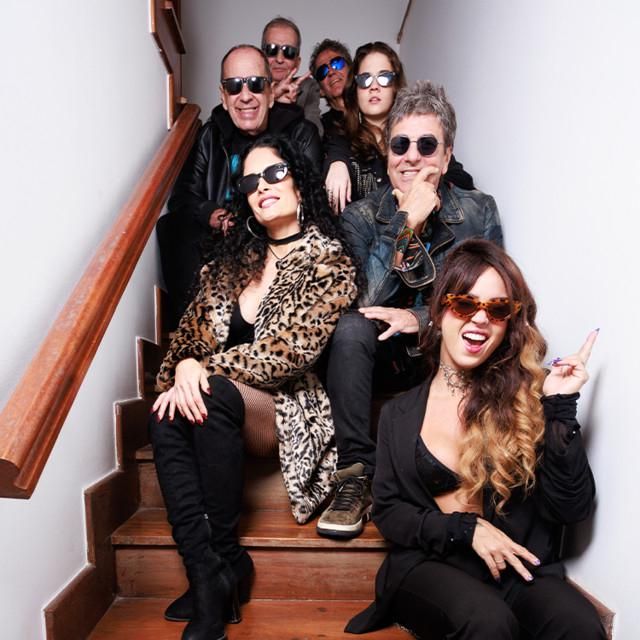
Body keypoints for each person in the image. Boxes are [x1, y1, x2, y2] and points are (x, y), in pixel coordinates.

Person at [150, 135, 357, 640]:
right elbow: (188, 337)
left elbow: (292, 352)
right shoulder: (230, 264)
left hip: (286, 405)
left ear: (299, 183)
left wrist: (204, 368)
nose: (261, 186)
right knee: (165, 410)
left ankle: (222, 556)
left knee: (210, 391)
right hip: (221, 400)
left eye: (274, 174)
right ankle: (210, 570)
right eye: (249, 182)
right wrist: (184, 365)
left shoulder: (329, 260)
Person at [346, 239, 606, 640]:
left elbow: (573, 509)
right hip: (432, 565)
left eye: (497, 309)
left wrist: (560, 407)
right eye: (465, 304)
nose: (481, 318)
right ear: (439, 312)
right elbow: (390, 512)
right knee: (488, 622)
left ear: (509, 324)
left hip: (516, 569)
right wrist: (466, 529)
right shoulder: (399, 415)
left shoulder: (527, 401)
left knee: (580, 626)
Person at [317, 80, 503, 539]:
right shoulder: (360, 216)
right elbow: (364, 300)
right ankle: (355, 474)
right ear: (386, 152)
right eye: (400, 144)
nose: (412, 157)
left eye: (427, 145)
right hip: (379, 359)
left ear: (447, 155)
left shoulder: (478, 211)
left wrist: (419, 319)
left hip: (446, 355)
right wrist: (407, 224)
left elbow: (491, 300)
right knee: (350, 328)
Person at [156, 44, 322, 329]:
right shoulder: (211, 135)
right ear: (223, 96)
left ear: (270, 93)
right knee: (172, 226)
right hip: (219, 245)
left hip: (274, 245)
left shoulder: (300, 134)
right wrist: (213, 214)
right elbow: (183, 196)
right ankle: (198, 331)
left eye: (255, 84)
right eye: (234, 86)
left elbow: (311, 203)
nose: (245, 96)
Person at [323, 42, 474, 214]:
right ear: (355, 89)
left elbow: (462, 181)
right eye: (365, 79)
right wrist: (336, 163)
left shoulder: (419, 134)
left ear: (395, 86)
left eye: (384, 77)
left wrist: (433, 191)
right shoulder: (340, 141)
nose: (374, 87)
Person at [261, 16, 323, 135]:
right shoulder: (246, 85)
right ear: (261, 57)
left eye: (288, 52)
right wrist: (272, 98)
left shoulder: (307, 87)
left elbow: (315, 135)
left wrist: (290, 110)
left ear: (297, 63)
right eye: (272, 50)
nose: (279, 59)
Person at [308, 39, 352, 135]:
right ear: (321, 90)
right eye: (322, 71)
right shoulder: (318, 131)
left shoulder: (374, 110)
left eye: (337, 63)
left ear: (352, 70)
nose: (331, 72)